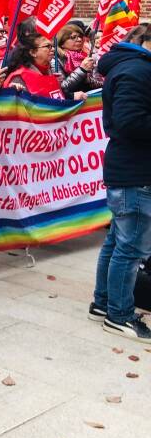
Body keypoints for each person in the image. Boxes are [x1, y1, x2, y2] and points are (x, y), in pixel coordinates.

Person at [93, 24, 151, 343]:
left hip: (130, 167)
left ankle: (104, 304)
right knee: (130, 248)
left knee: (118, 241)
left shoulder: (133, 67)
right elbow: (130, 121)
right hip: (135, 171)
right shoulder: (136, 71)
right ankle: (119, 314)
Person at [5, 31, 86, 100]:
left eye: (52, 46)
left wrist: (71, 96)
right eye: (48, 46)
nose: (53, 49)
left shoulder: (48, 71)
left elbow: (55, 97)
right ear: (33, 52)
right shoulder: (20, 77)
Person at [56, 22, 100, 92]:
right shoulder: (56, 59)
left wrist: (89, 79)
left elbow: (96, 84)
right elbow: (62, 88)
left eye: (80, 36)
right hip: (69, 101)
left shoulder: (85, 56)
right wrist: (82, 70)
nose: (79, 40)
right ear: (62, 43)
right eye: (73, 37)